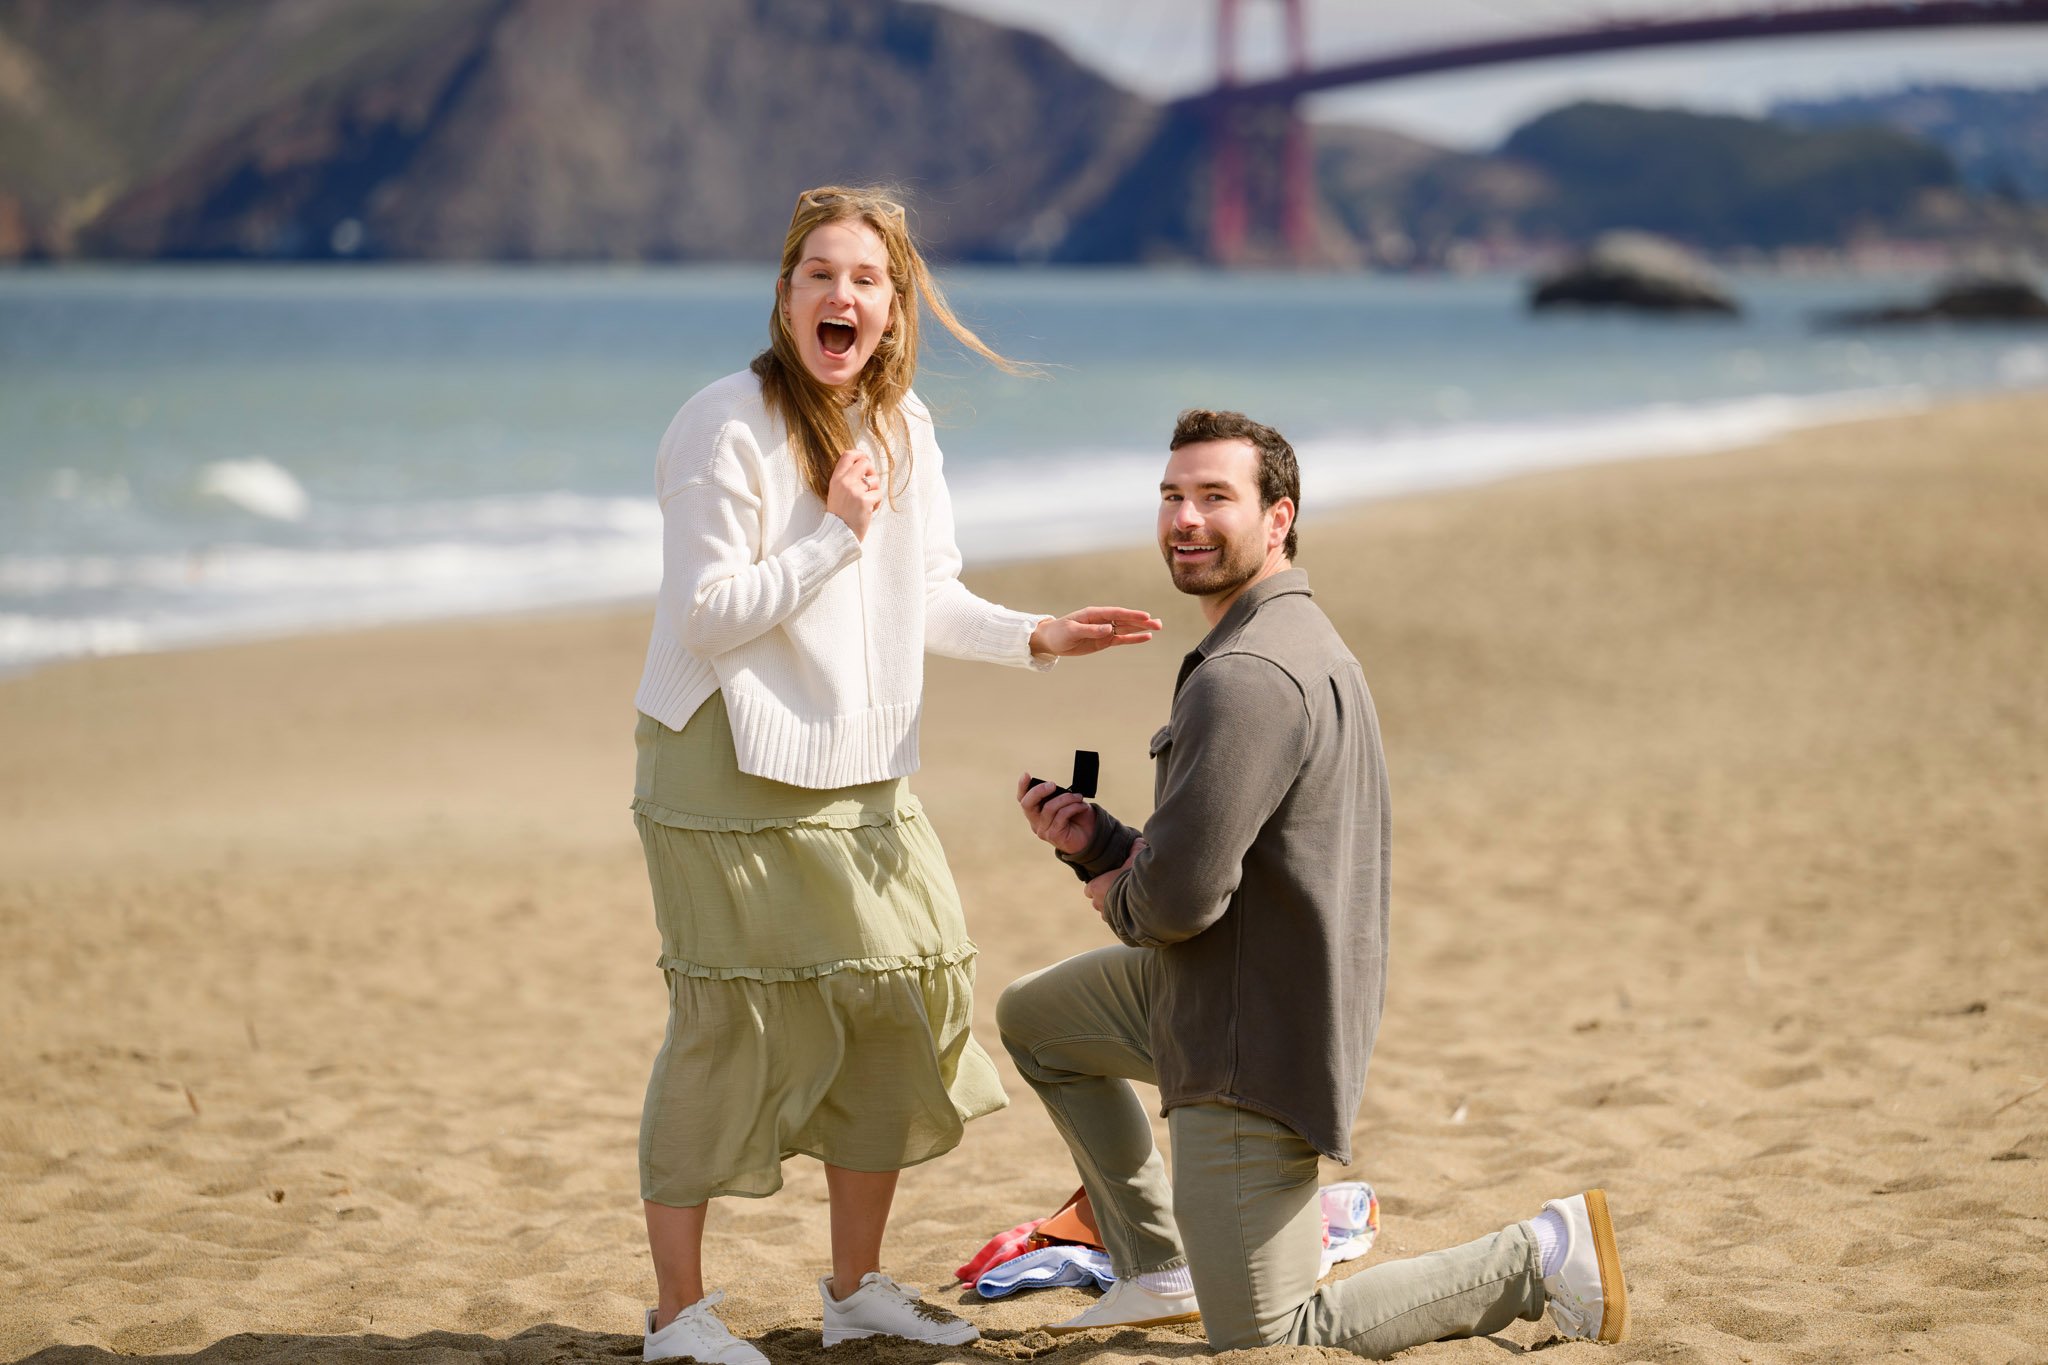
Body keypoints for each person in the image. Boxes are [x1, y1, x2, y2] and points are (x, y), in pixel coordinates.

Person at [630, 185, 1161, 1365]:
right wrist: (832, 531)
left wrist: (1037, 635)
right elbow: (708, 616)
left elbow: (925, 596)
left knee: (900, 998)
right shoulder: (722, 425)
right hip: (723, 759)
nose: (841, 295)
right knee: (727, 1023)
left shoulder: (902, 427)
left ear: (893, 307)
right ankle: (677, 1317)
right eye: (819, 274)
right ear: (784, 296)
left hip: (859, 759)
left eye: (865, 279)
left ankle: (855, 1289)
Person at [1000, 409, 1629, 1358]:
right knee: (1036, 1019)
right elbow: (1225, 856)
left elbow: (1174, 905)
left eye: (1215, 497)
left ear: (1278, 516)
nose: (1185, 518)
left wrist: (1117, 891)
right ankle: (1158, 1265)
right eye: (1172, 496)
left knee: (1267, 1337)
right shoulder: (1294, 636)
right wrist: (1103, 844)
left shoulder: (1246, 675)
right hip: (1236, 984)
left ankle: (1538, 1257)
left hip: (1251, 1039)